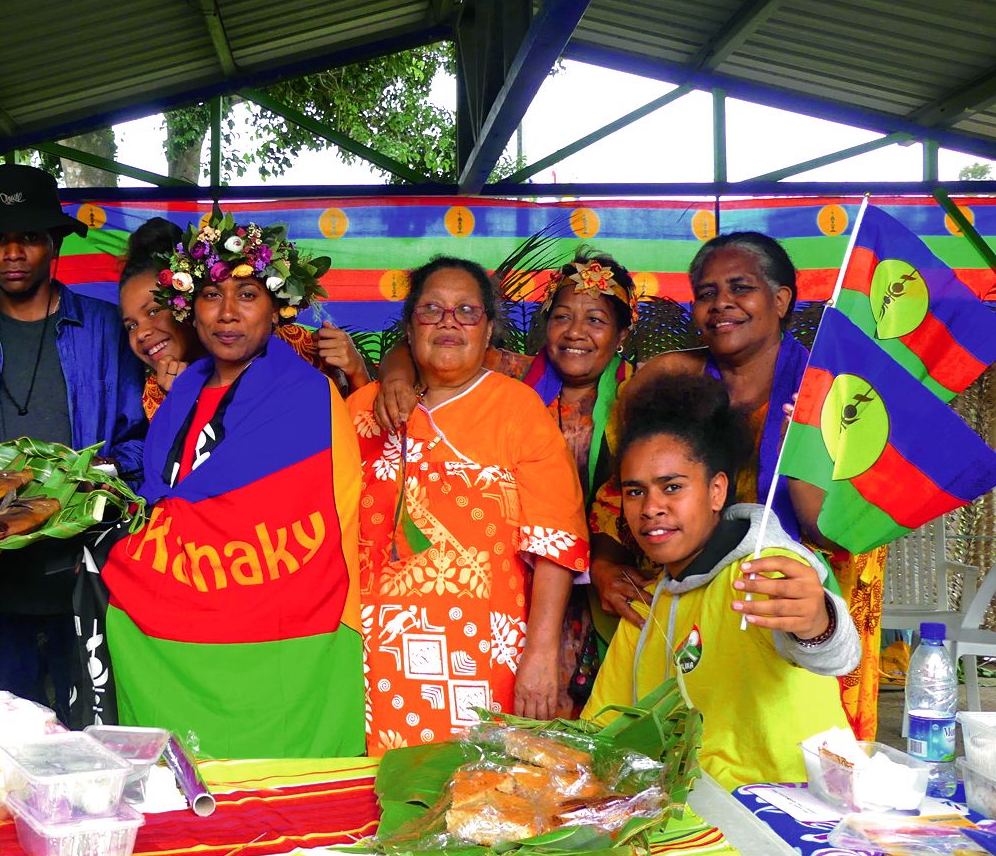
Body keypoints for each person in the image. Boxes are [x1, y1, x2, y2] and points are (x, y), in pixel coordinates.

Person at [590, 231, 885, 738]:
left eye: (740, 287)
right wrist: (603, 564)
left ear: (780, 299)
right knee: (691, 736)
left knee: (794, 743)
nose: (720, 303)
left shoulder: (833, 394)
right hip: (689, 603)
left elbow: (839, 530)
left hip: (796, 598)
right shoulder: (669, 378)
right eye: (706, 293)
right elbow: (620, 490)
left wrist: (810, 446)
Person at [100, 214, 365, 758]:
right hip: (184, 610)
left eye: (247, 294)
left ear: (276, 307)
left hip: (286, 619)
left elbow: (325, 513)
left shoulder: (308, 396)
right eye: (211, 294)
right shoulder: (179, 396)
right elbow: (170, 505)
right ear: (188, 306)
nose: (226, 314)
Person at [0, 163, 146, 722]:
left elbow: (140, 441)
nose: (12, 252)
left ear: (54, 243)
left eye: (28, 238)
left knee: (96, 746)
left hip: (92, 584)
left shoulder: (106, 331)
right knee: (4, 751)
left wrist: (97, 498)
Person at [373, 248, 636, 712]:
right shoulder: (506, 373)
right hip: (523, 593)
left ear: (621, 334)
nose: (576, 332)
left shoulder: (639, 394)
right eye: (562, 317)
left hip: (602, 587)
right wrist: (394, 374)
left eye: (595, 319)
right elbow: (425, 344)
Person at [346, 257, 588, 754]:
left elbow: (555, 544)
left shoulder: (519, 410)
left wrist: (540, 656)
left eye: (467, 312)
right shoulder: (360, 410)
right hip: (365, 654)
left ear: (490, 329)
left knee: (474, 802)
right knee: (372, 801)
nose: (449, 322)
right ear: (409, 329)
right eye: (431, 310)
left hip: (481, 657)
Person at [581, 374, 858, 790]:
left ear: (716, 491)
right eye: (635, 492)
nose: (651, 508)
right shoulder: (646, 604)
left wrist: (819, 622)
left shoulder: (764, 570)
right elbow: (602, 729)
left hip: (797, 815)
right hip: (701, 826)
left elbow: (835, 655)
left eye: (672, 487)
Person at [118, 217, 372, 419]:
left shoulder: (298, 346)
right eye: (130, 325)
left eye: (153, 311)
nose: (227, 313)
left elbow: (362, 439)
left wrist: (357, 375)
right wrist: (181, 404)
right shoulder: (159, 390)